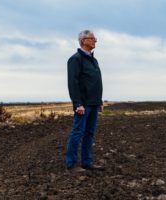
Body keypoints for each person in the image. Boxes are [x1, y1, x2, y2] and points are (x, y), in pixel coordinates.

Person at [65, 30, 104, 172]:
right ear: (83, 41)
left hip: (94, 104)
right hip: (83, 105)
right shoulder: (75, 59)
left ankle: (87, 162)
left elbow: (96, 82)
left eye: (95, 38)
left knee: (89, 133)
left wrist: (99, 101)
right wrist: (77, 103)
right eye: (92, 38)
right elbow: (73, 83)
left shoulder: (94, 60)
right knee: (77, 132)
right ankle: (72, 164)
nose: (95, 41)